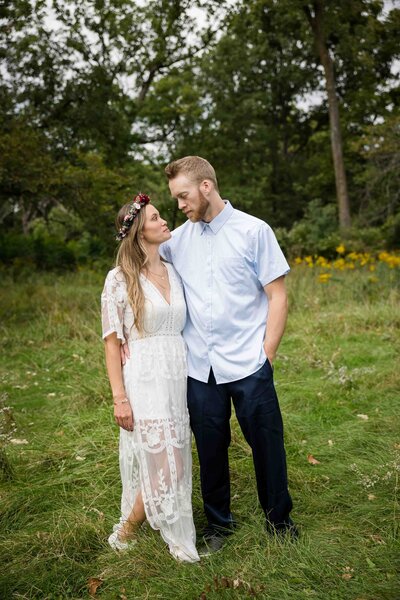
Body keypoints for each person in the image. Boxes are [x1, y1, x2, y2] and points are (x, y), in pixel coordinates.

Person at [160, 156, 297, 554]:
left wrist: (266, 355)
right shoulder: (177, 242)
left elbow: (278, 296)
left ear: (206, 187)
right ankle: (219, 525)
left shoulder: (254, 231)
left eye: (183, 196)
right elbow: (147, 270)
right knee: (210, 449)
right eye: (175, 198)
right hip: (200, 368)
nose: (180, 205)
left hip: (249, 363)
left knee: (267, 443)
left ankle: (279, 520)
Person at [101, 192, 199, 563]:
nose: (164, 221)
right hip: (144, 374)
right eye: (156, 218)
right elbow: (113, 344)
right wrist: (119, 398)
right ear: (141, 233)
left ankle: (142, 527)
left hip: (177, 373)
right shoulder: (119, 279)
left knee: (174, 453)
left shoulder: (174, 271)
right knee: (162, 457)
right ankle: (136, 532)